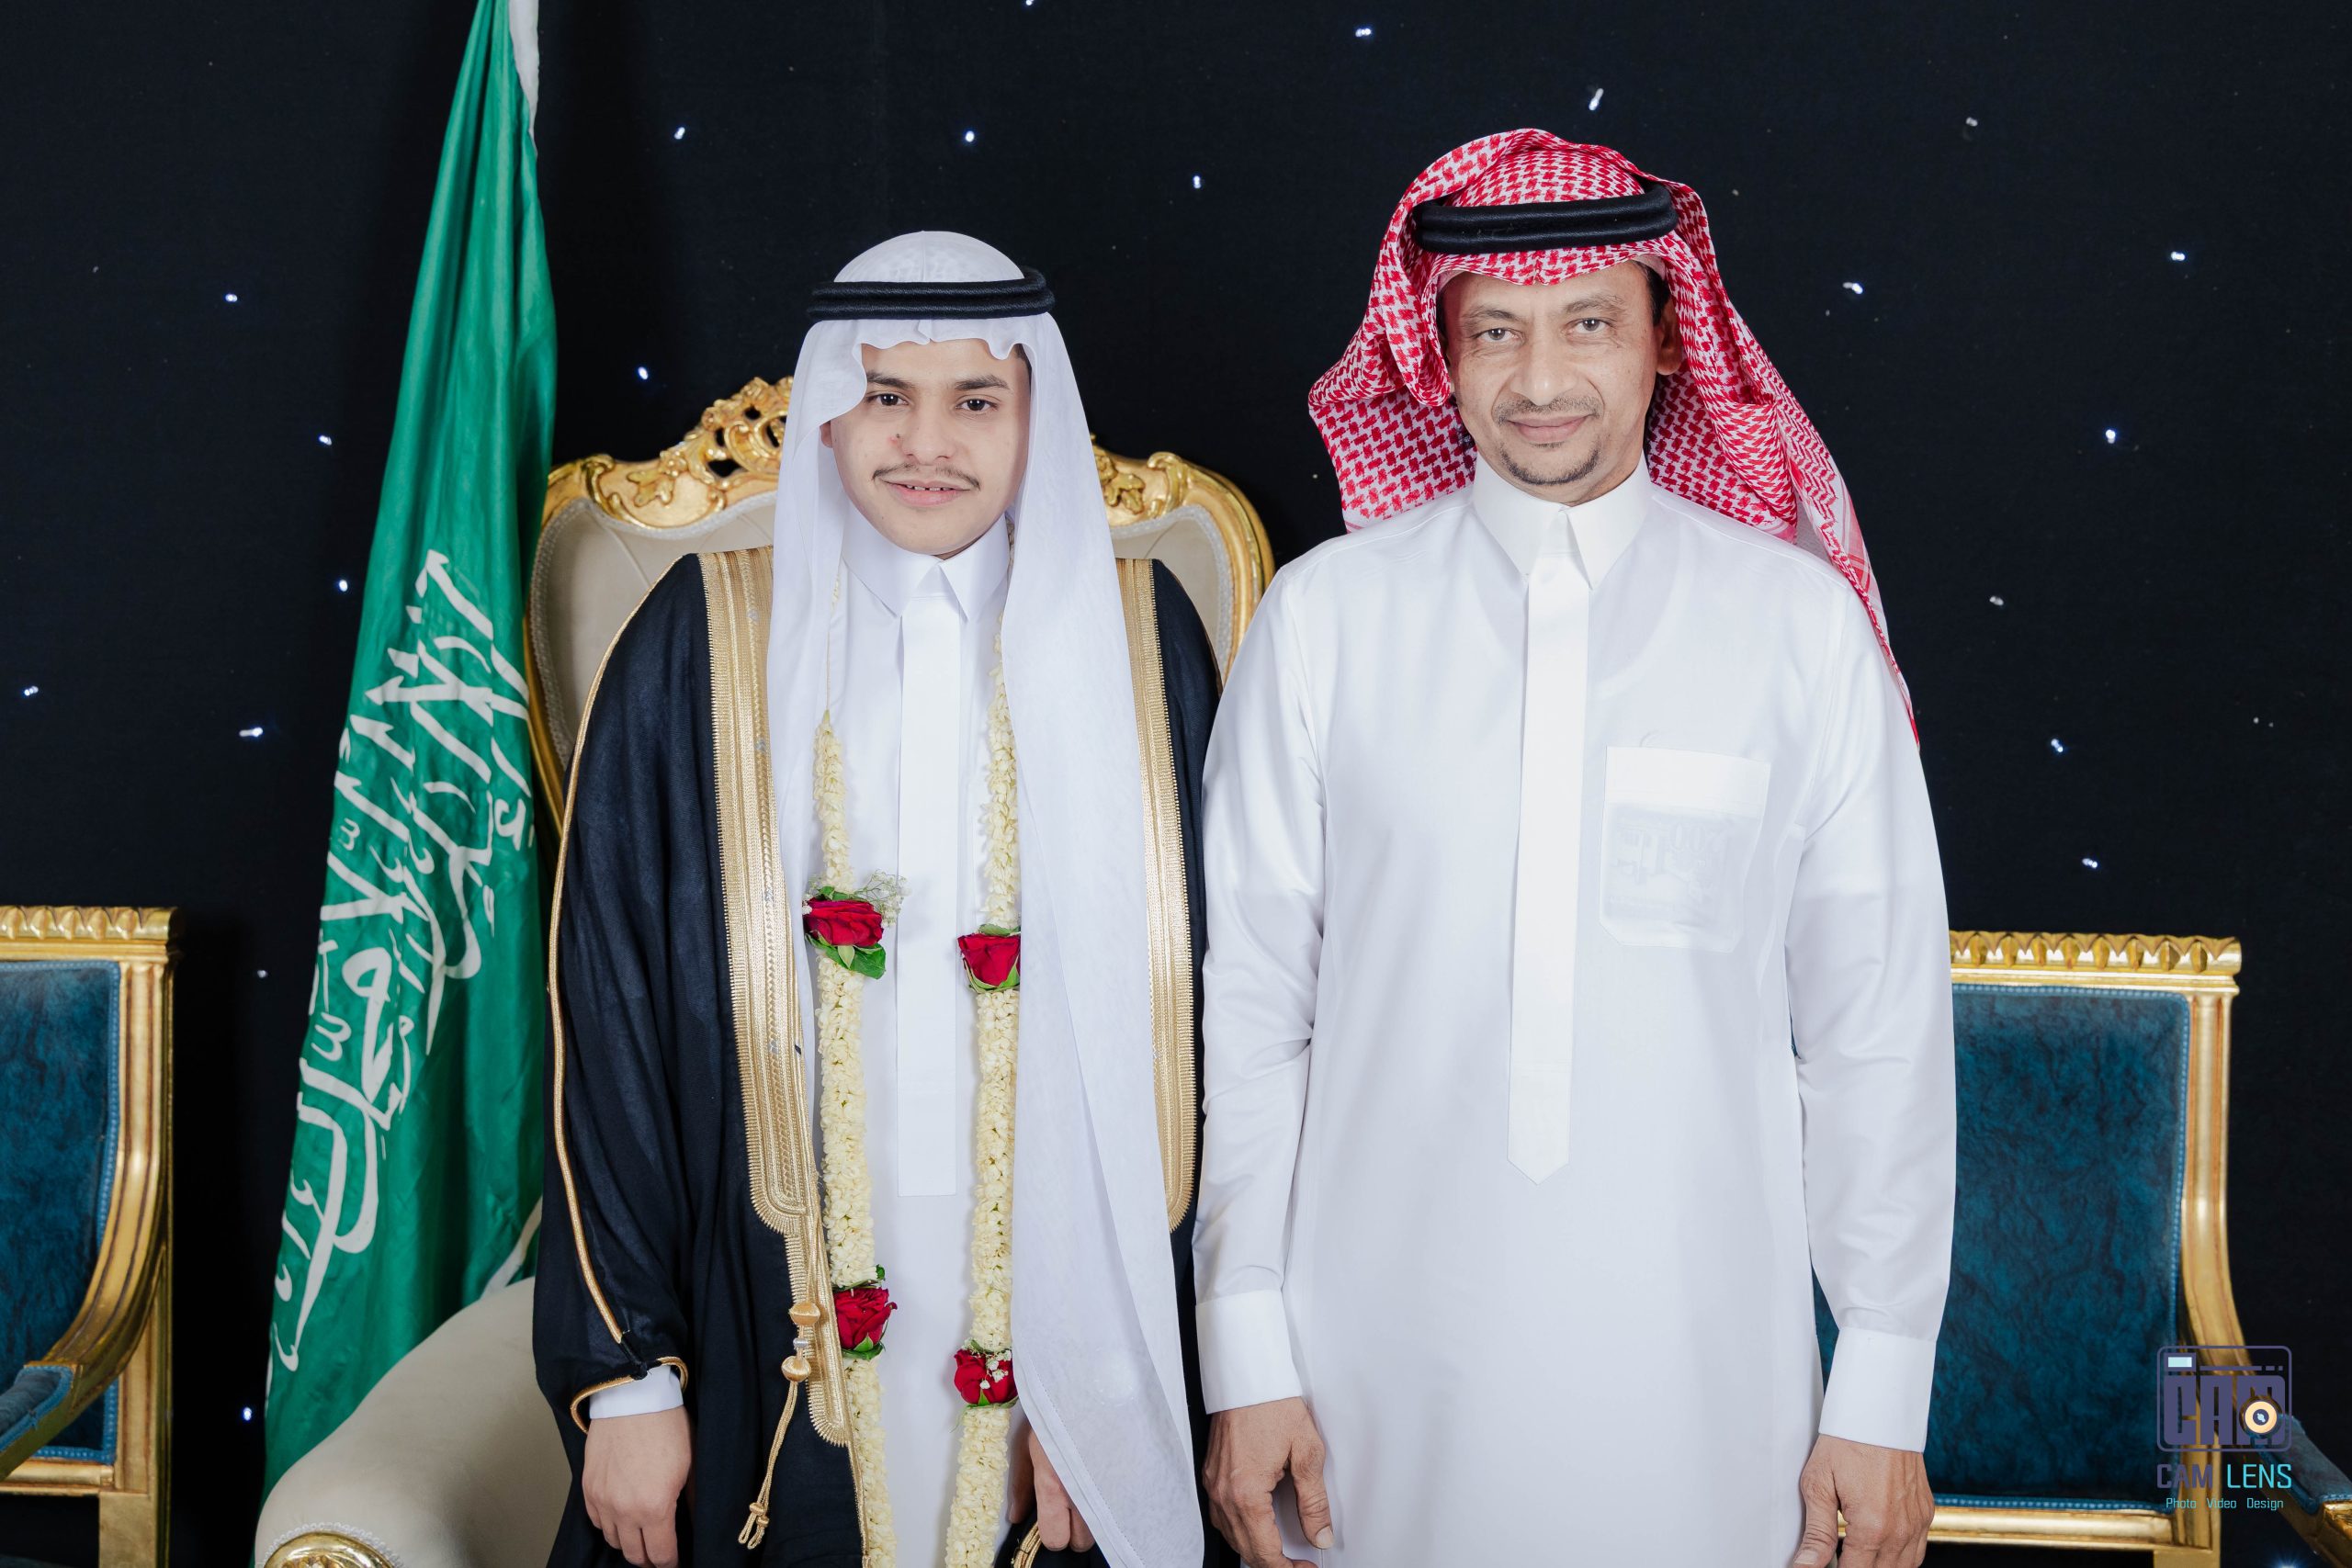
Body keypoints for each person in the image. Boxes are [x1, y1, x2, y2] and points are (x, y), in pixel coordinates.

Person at [1191, 130, 1955, 1568]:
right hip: (1364, 1382)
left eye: (1588, 324)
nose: (1540, 380)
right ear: (1439, 357)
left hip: (1705, 1381)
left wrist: (1881, 1388)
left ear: (1668, 338)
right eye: (1496, 332)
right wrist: (1244, 1354)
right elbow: (1252, 1022)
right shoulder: (1327, 622)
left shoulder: (1796, 631)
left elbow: (1876, 1037)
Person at [535, 231, 1227, 1568]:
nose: (927, 443)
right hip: (766, 1321)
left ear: (1036, 417)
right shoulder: (700, 636)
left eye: (977, 400)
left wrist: (1112, 1383)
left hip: (1064, 1332)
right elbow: (607, 1015)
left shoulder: (1141, 643)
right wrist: (629, 1377)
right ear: (826, 414)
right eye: (885, 396)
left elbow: (1206, 1025)